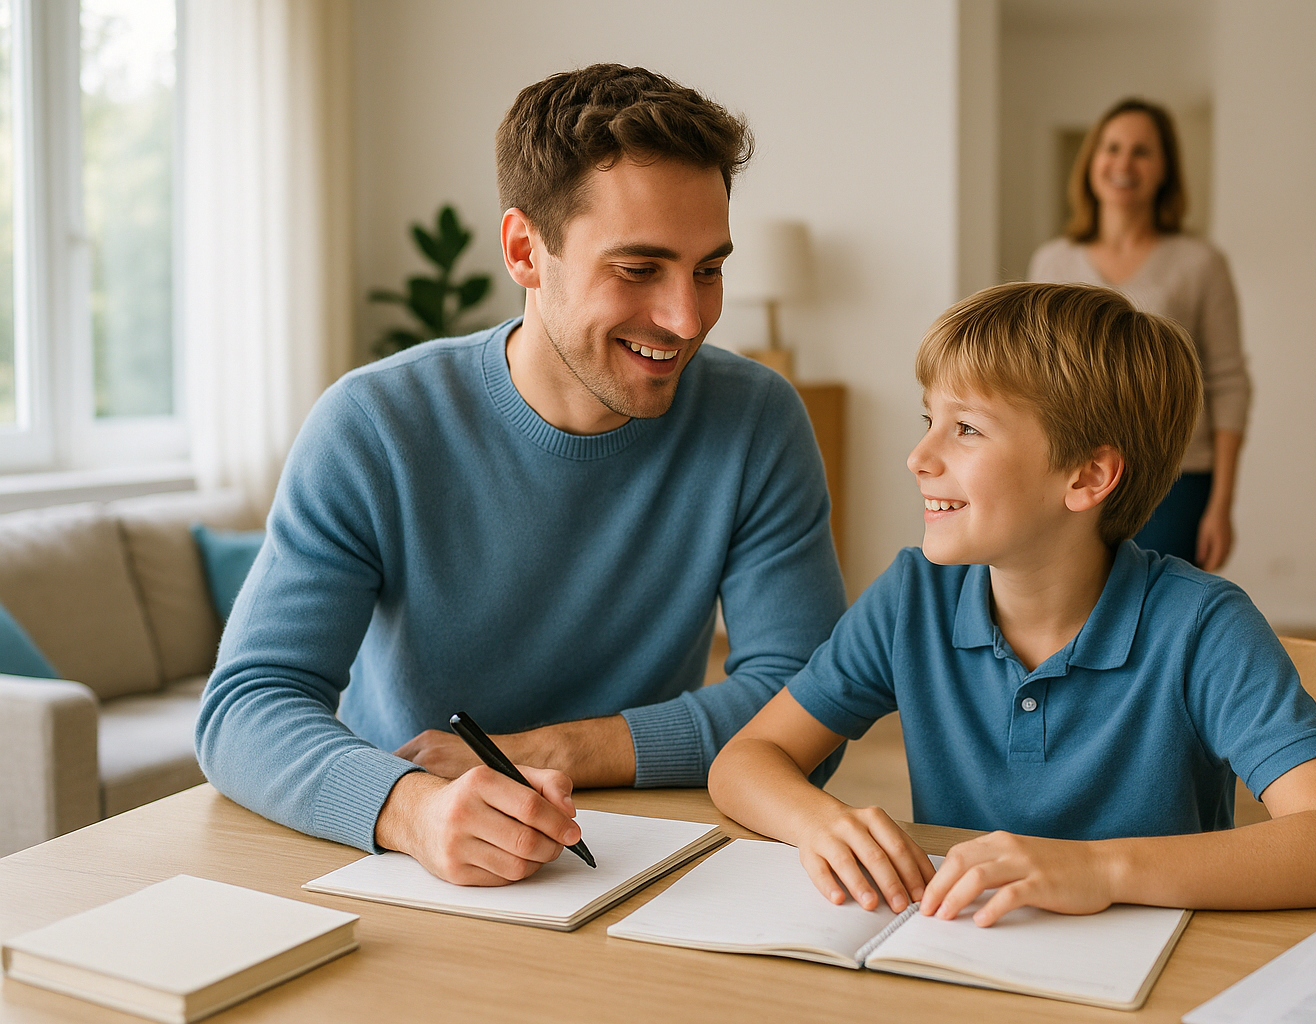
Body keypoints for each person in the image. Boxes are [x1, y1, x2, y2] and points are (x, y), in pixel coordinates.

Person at [196, 64, 845, 886]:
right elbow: (247, 704)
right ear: (523, 251)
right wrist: (413, 810)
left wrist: (550, 750)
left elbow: (810, 703)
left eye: (708, 269)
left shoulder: (757, 420)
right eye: (639, 269)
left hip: (642, 850)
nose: (688, 319)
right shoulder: (372, 426)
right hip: (413, 856)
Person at [708, 282, 1316, 925]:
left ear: (1087, 475)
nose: (919, 456)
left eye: (966, 429)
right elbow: (746, 760)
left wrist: (1099, 868)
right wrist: (819, 823)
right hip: (970, 957)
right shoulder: (911, 598)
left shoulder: (1202, 627)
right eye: (930, 419)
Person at [1029, 98, 1249, 571]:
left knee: (1159, 618)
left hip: (1178, 477)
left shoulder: (1200, 263)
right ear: (1092, 161)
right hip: (1073, 469)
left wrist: (1222, 503)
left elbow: (1229, 382)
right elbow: (1036, 377)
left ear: (1165, 168)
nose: (1123, 163)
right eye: (1112, 148)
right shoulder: (1053, 262)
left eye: (1142, 151)